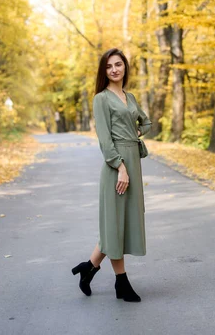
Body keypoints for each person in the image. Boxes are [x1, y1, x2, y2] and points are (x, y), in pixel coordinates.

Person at [71, 48, 152, 303]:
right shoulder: (101, 99)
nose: (114, 69)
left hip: (132, 165)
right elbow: (105, 140)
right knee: (115, 225)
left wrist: (136, 134)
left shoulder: (130, 97)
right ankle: (121, 283)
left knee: (122, 223)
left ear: (125, 67)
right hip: (116, 167)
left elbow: (146, 122)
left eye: (118, 64)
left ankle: (89, 267)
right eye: (109, 66)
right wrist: (121, 166)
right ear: (103, 71)